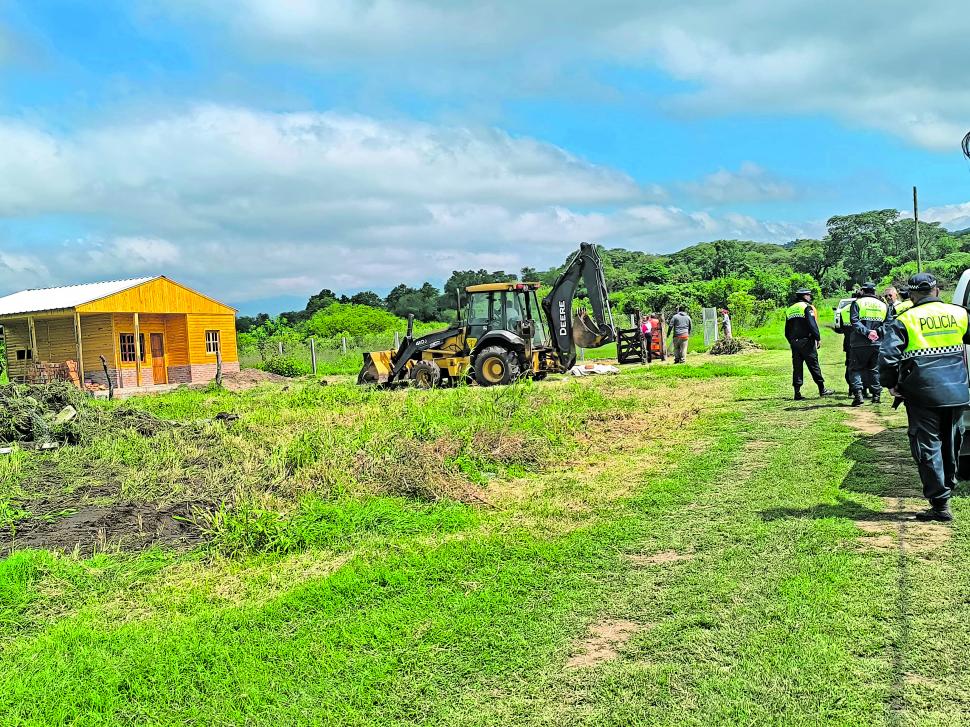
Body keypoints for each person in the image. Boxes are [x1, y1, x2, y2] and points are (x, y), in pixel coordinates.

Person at [879, 273, 970, 522]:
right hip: (957, 391)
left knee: (927, 445)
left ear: (911, 295)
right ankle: (948, 486)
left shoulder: (904, 319)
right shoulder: (960, 314)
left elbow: (887, 357)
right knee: (951, 442)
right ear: (937, 291)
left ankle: (940, 503)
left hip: (922, 394)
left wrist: (891, 384)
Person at [784, 288, 833, 400]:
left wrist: (791, 341)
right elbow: (812, 324)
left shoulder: (790, 309)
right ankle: (822, 389)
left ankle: (797, 393)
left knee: (797, 367)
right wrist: (818, 338)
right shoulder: (806, 307)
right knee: (814, 365)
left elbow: (787, 330)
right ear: (804, 296)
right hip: (807, 342)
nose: (810, 297)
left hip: (795, 343)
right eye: (809, 295)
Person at [848, 281, 889, 406]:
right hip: (877, 343)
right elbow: (888, 323)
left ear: (863, 291)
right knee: (874, 369)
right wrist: (876, 331)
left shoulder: (857, 303)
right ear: (874, 291)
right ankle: (876, 395)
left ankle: (858, 395)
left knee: (855, 369)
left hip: (859, 343)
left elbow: (854, 321)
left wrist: (867, 332)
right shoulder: (883, 305)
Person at [834, 291, 860, 395]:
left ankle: (851, 388)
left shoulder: (843, 310)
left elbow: (839, 329)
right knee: (861, 366)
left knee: (849, 366)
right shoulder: (860, 308)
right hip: (859, 342)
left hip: (848, 342)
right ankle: (861, 389)